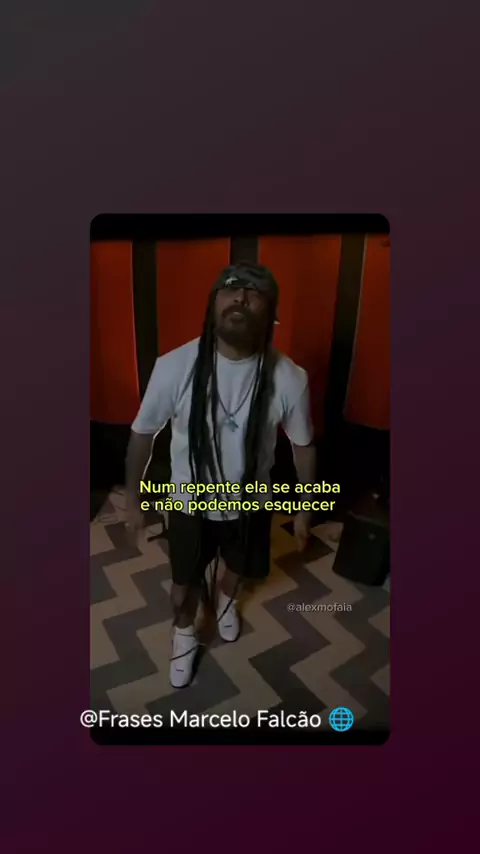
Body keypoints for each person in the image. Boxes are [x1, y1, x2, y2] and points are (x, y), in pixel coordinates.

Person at [125, 260, 316, 688]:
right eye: (230, 289)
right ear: (213, 304)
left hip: (251, 503)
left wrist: (305, 508)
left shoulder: (290, 378)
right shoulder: (174, 366)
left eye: (254, 292)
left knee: (238, 568)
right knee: (183, 587)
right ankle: (184, 632)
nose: (240, 297)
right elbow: (142, 435)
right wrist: (134, 500)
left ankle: (226, 599)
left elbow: (303, 447)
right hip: (189, 502)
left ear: (271, 313)